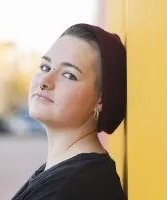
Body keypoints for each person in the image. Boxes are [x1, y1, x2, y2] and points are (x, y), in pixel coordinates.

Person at [11, 23, 127, 200]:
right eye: (45, 67)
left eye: (69, 75)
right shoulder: (64, 174)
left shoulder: (75, 188)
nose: (45, 81)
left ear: (101, 99)